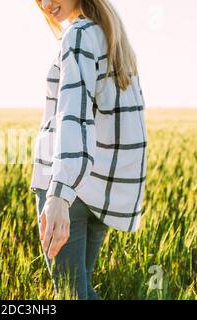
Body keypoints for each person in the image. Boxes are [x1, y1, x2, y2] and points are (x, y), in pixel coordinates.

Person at [30, 0, 148, 300]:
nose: (45, 4)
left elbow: (73, 115)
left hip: (69, 189)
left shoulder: (78, 35)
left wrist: (59, 193)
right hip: (99, 190)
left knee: (72, 295)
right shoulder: (111, 35)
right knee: (80, 291)